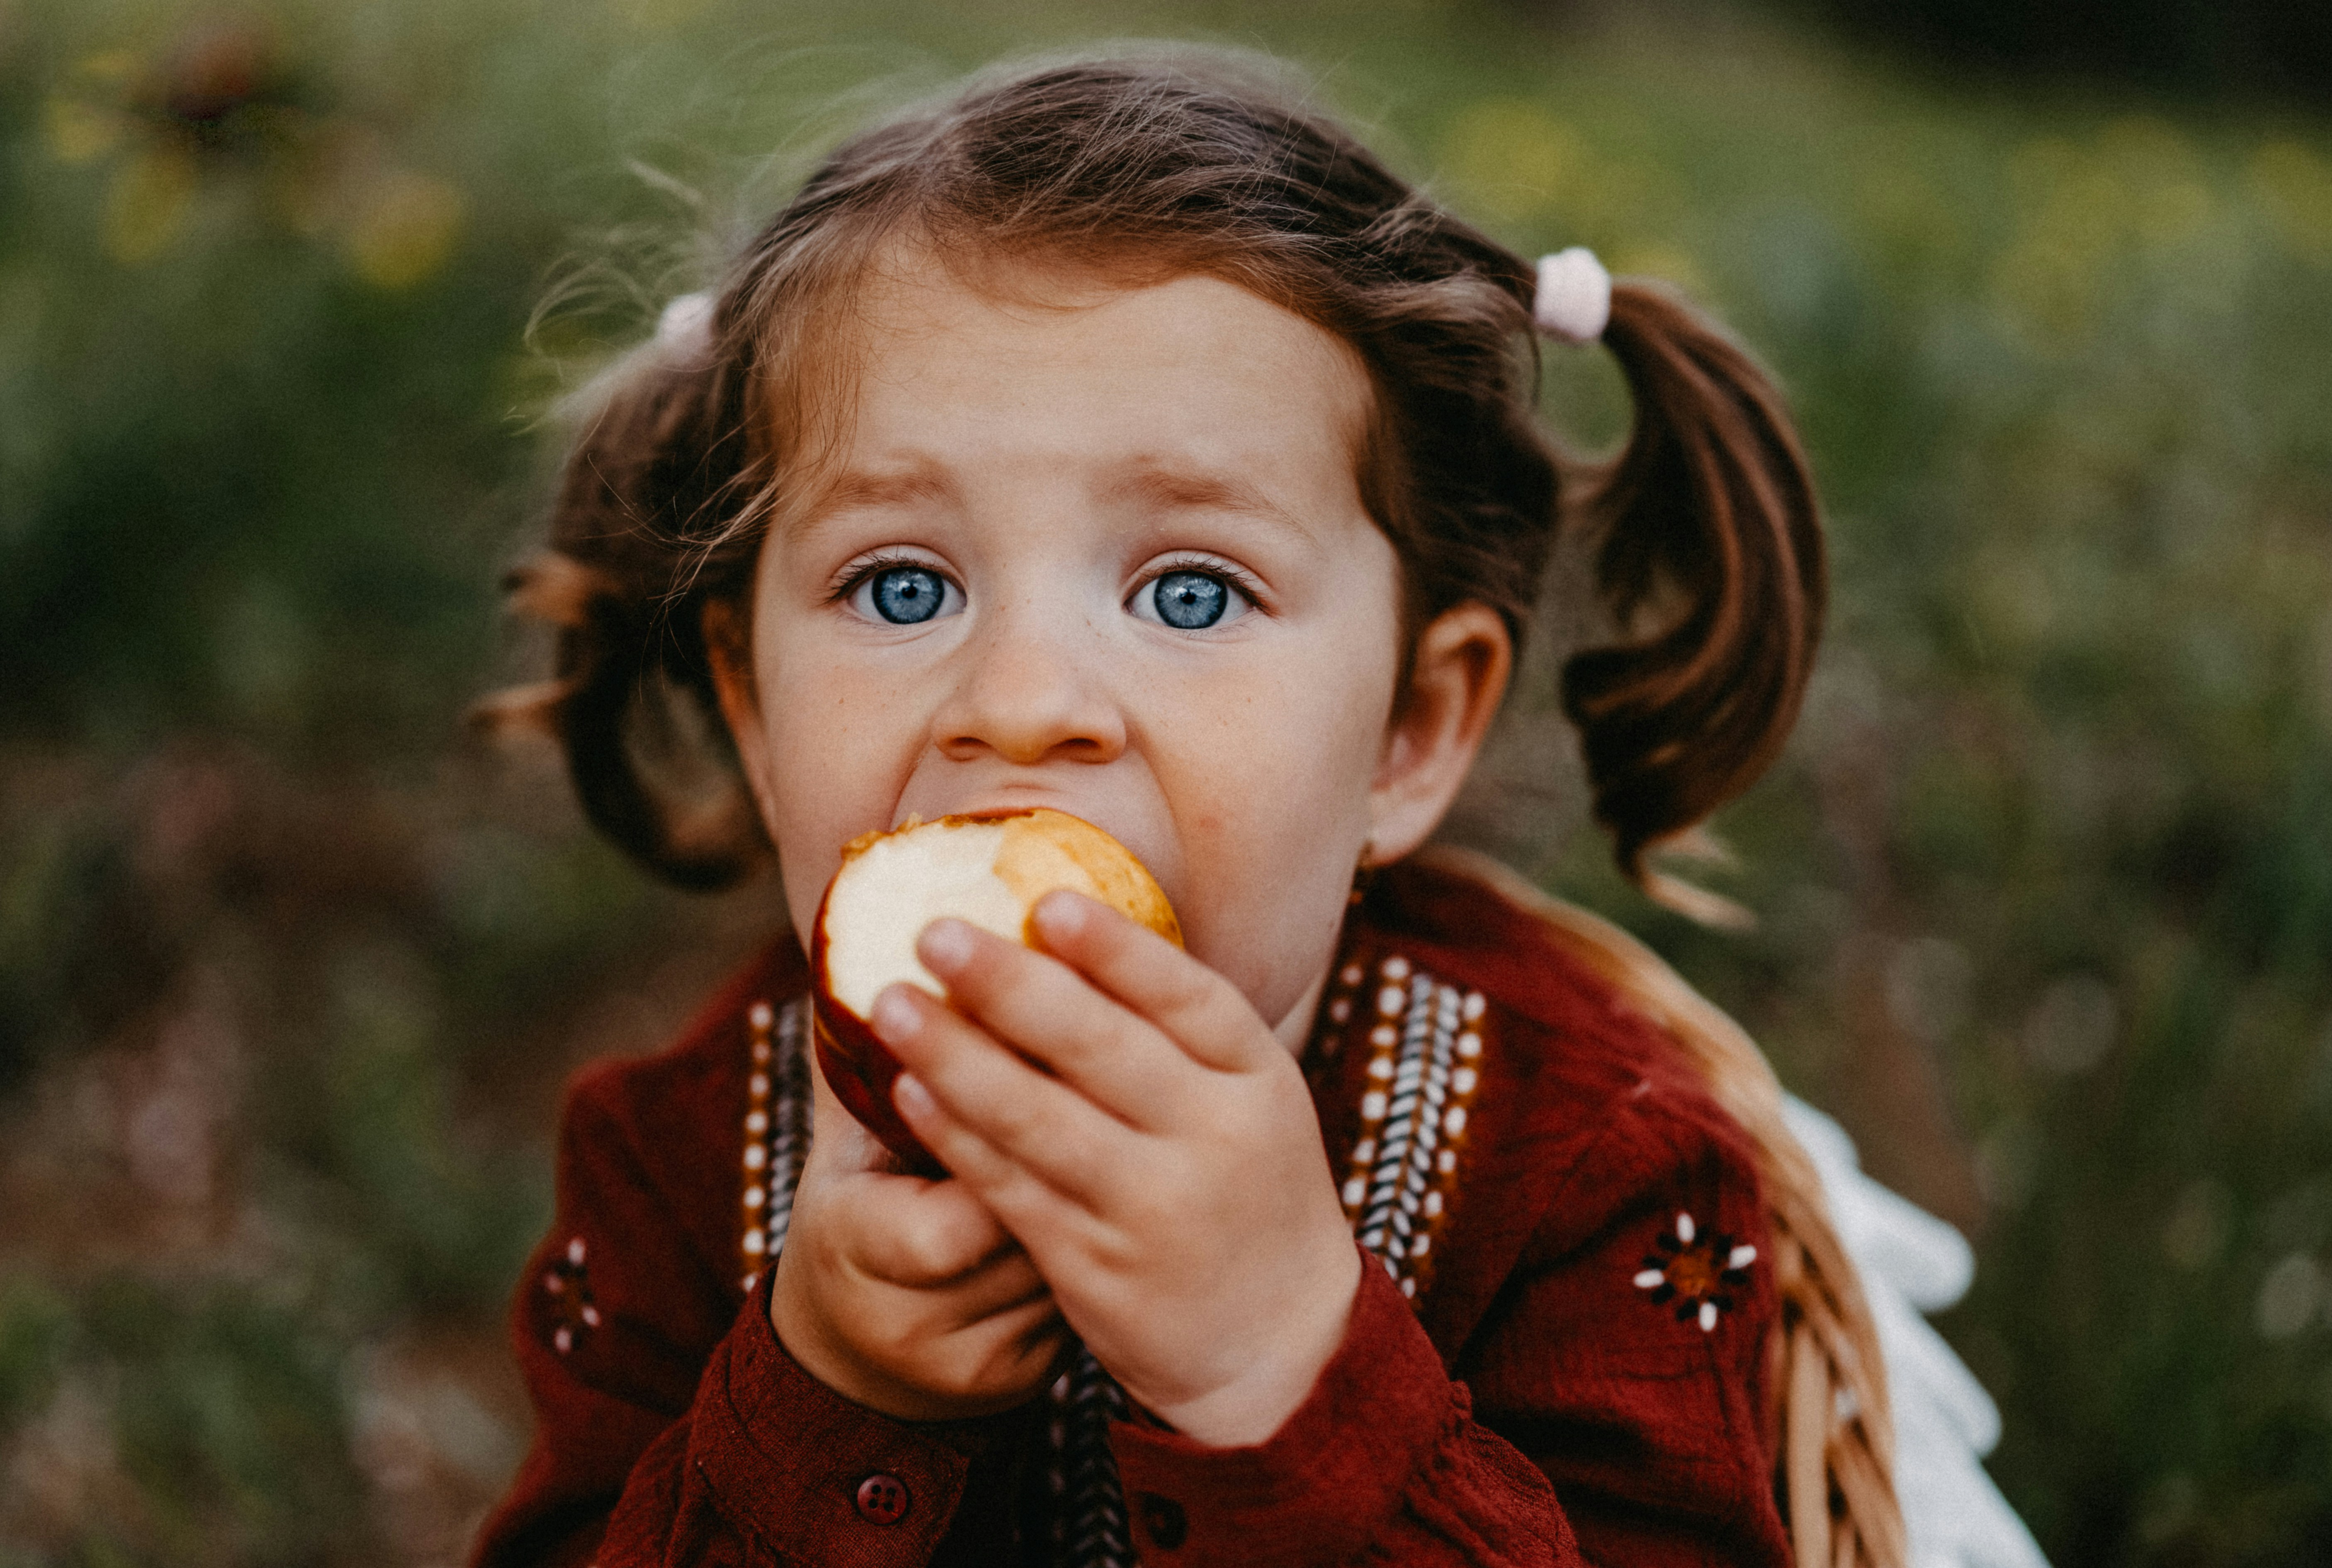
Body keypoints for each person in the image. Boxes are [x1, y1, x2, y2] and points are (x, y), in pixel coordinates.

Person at [468, 48, 1914, 1568]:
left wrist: (1285, 1376)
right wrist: (820, 1398)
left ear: (1410, 735)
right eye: (903, 585)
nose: (1021, 698)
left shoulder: (1583, 1177)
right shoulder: (678, 1168)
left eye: (1189, 590)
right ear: (757, 719)